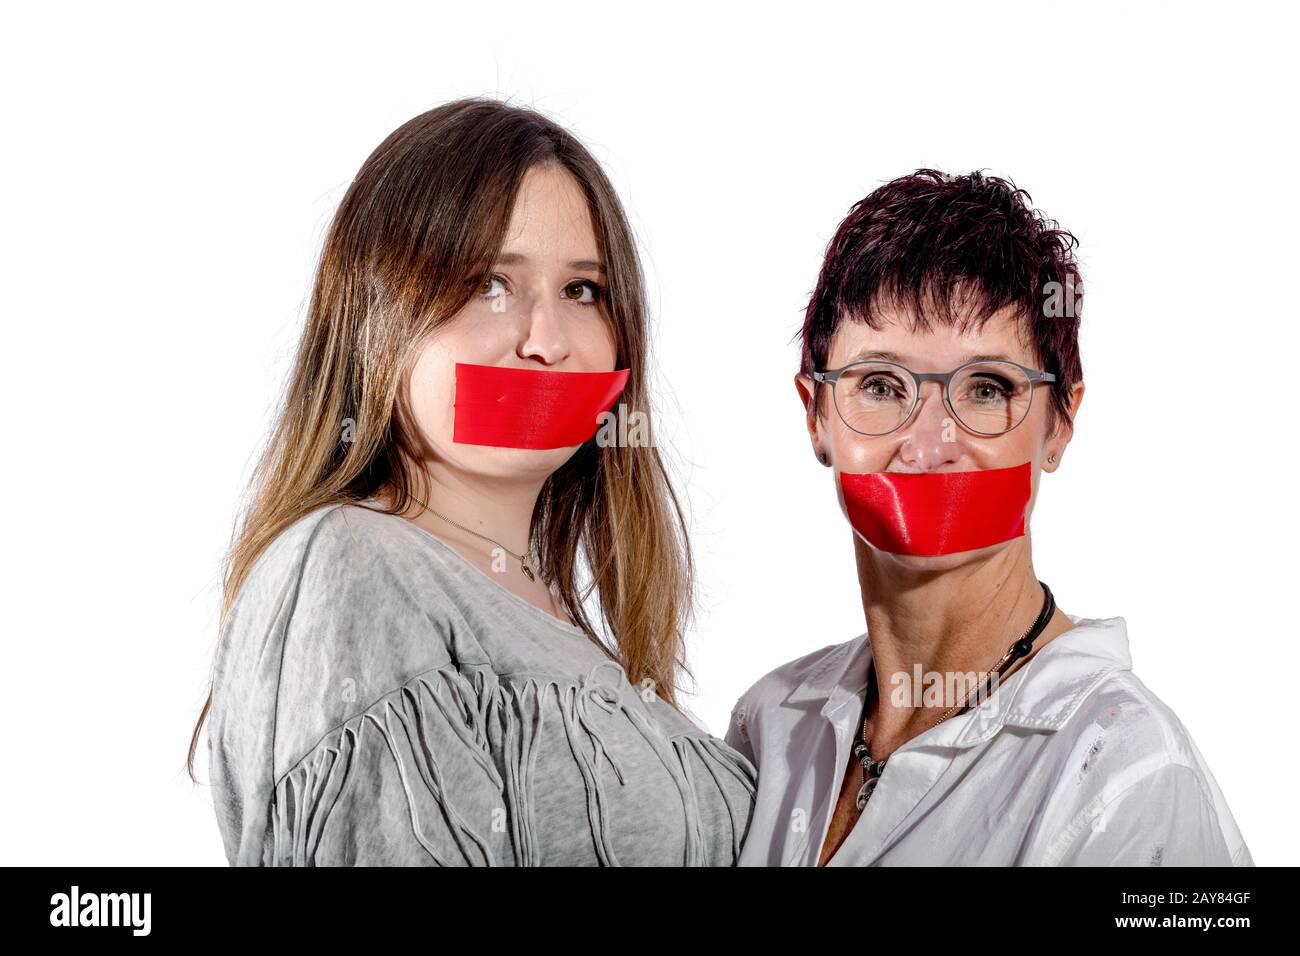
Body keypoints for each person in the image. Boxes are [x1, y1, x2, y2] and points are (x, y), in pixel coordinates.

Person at [189, 98, 756, 866]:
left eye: (582, 290)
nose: (546, 342)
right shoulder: (352, 567)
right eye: (491, 282)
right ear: (378, 310)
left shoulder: (559, 619)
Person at [726, 169, 1252, 867]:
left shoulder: (1128, 774)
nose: (928, 444)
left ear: (1060, 425)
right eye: (881, 385)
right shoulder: (771, 723)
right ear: (815, 415)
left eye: (986, 389)